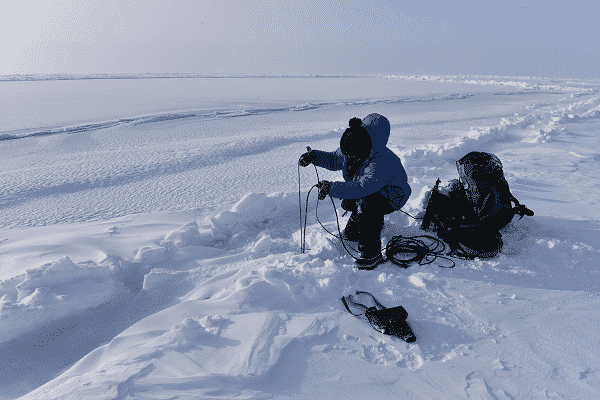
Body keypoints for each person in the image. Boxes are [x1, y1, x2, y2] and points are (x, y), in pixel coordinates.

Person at [299, 113, 411, 268]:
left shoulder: (382, 160)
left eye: (352, 156)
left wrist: (332, 187)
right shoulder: (354, 143)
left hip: (392, 195)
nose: (348, 158)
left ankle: (372, 255)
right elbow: (334, 159)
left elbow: (362, 188)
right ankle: (360, 229)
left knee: (368, 203)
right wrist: (314, 157)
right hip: (371, 191)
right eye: (347, 154)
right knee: (352, 203)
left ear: (364, 151)